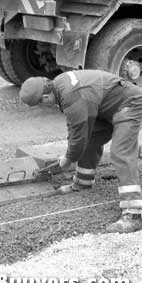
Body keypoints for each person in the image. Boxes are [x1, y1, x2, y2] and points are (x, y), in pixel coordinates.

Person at [19, 69, 142, 234]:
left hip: (129, 103)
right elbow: (76, 128)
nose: (45, 107)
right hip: (108, 107)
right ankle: (83, 183)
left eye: (41, 104)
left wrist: (68, 158)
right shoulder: (60, 84)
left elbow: (78, 134)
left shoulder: (71, 95)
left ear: (45, 97)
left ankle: (133, 214)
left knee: (121, 152)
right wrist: (71, 152)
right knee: (90, 140)